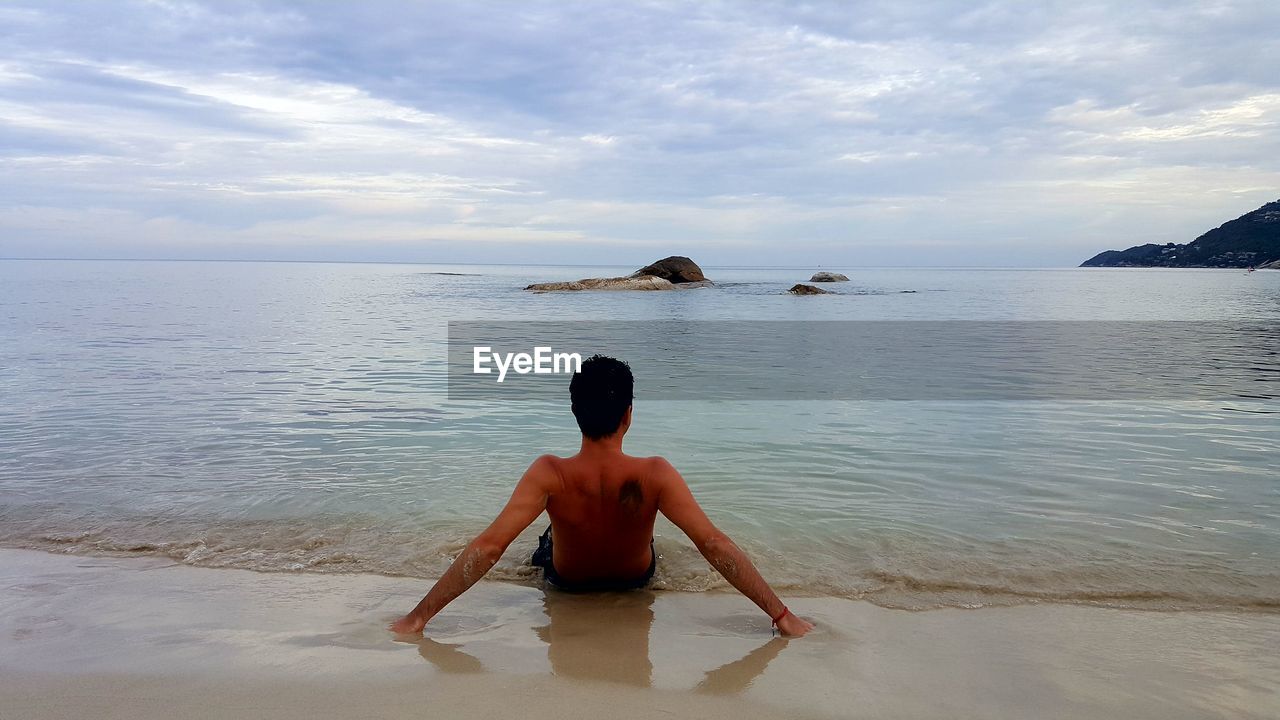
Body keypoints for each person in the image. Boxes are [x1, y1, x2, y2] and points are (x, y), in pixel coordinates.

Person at [389, 355, 813, 637]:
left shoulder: (549, 472)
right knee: (654, 542)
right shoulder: (654, 474)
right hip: (635, 582)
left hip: (566, 582)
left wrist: (418, 617)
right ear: (629, 414)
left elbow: (488, 547)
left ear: (575, 412)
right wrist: (782, 615)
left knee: (543, 538)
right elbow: (714, 544)